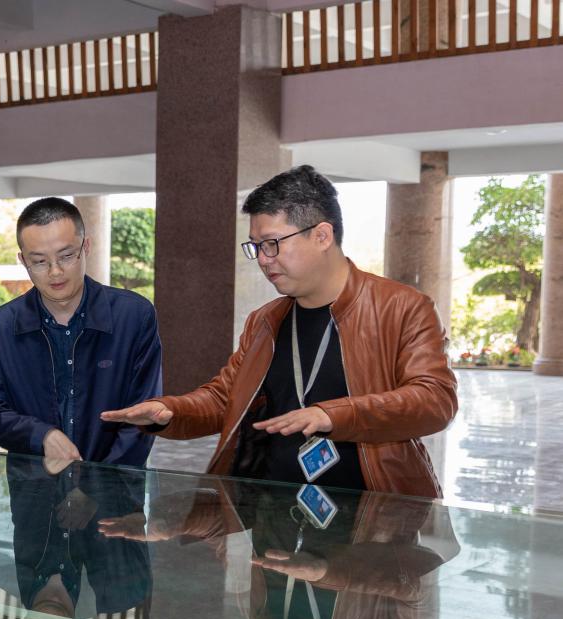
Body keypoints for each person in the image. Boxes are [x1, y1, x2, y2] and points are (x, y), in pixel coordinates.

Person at [102, 165, 457, 498]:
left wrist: (333, 415)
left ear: (322, 235)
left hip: (372, 519)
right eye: (256, 247)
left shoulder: (402, 307)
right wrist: (168, 411)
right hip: (274, 515)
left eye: (272, 243)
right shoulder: (265, 321)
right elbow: (225, 400)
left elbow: (435, 401)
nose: (262, 259)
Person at [0, 197, 162, 466]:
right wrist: (41, 436)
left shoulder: (134, 316)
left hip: (117, 487)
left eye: (66, 256)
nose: (55, 272)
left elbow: (141, 415)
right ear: (23, 260)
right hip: (35, 486)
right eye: (40, 261)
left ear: (86, 247)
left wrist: (101, 484)